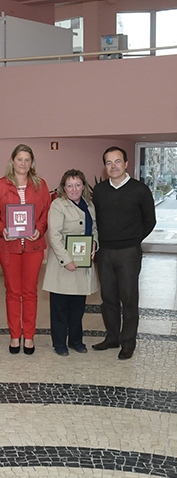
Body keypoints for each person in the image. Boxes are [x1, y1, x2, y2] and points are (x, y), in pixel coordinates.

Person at [92, 146, 156, 360]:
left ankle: (128, 342)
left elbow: (150, 220)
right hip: (105, 252)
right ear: (105, 166)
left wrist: (134, 239)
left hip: (129, 252)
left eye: (117, 161)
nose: (113, 166)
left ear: (126, 163)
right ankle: (112, 338)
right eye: (109, 163)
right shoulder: (99, 191)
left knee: (129, 299)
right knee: (108, 297)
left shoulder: (140, 190)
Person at [0, 144, 51, 355]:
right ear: (12, 161)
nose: (23, 163)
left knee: (31, 292)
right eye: (19, 159)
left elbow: (46, 214)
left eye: (27, 160)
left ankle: (30, 336)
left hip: (33, 246)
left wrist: (40, 230)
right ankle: (15, 335)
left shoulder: (41, 185)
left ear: (32, 163)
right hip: (9, 246)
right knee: (13, 293)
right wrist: (1, 229)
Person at [42, 169, 98, 356]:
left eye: (77, 184)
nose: (74, 189)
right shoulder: (58, 205)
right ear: (63, 187)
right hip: (62, 265)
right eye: (69, 185)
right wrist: (66, 260)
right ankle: (59, 343)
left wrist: (94, 245)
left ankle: (76, 340)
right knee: (60, 307)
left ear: (83, 186)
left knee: (77, 307)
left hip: (82, 263)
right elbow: (54, 235)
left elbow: (95, 229)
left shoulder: (89, 205)